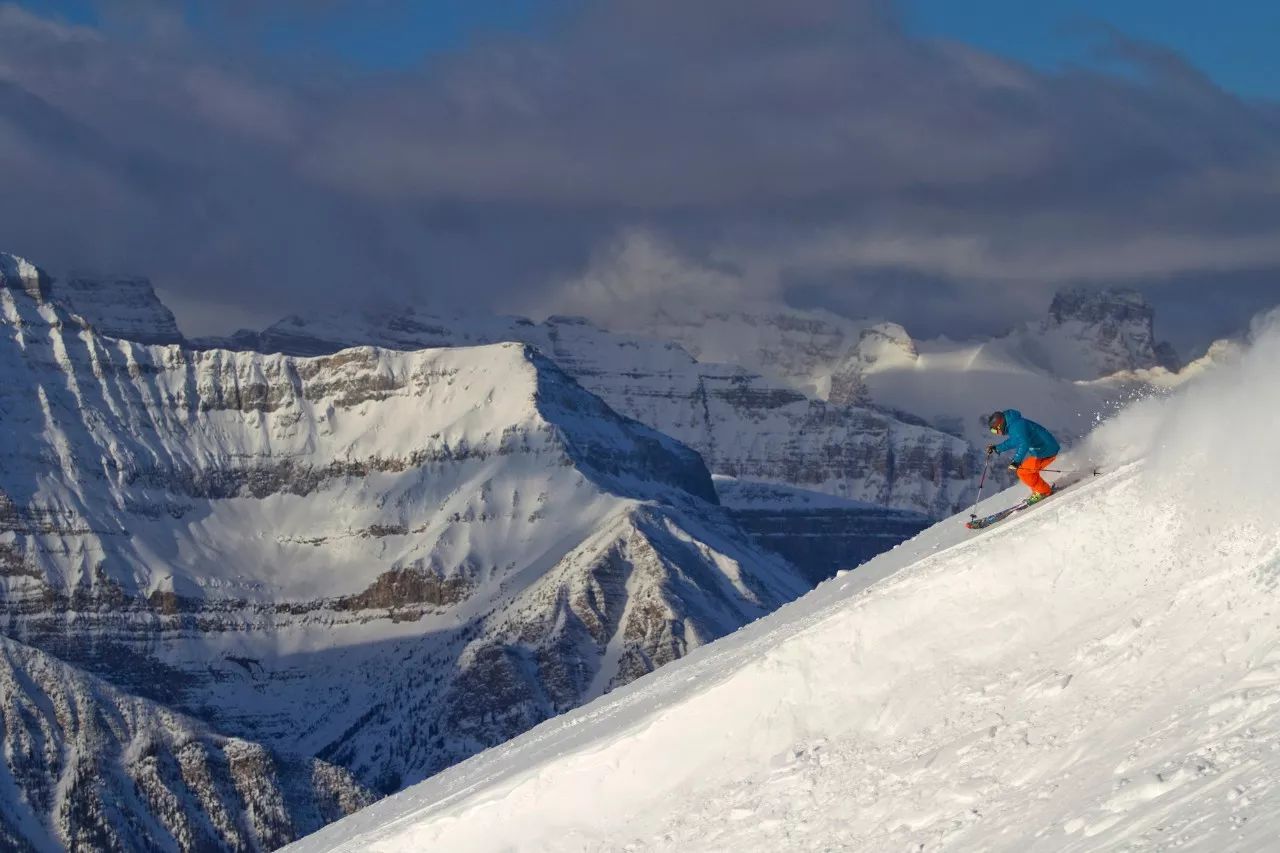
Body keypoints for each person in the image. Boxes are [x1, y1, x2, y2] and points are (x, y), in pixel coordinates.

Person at [984, 409, 1060, 503]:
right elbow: (1014, 441)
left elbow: (1024, 443)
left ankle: (1043, 491)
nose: (996, 433)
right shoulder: (1014, 425)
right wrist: (997, 448)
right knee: (1026, 471)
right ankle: (1040, 490)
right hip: (1043, 449)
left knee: (1023, 471)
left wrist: (1016, 461)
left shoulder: (1016, 426)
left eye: (995, 430)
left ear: (1000, 425)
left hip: (1045, 450)